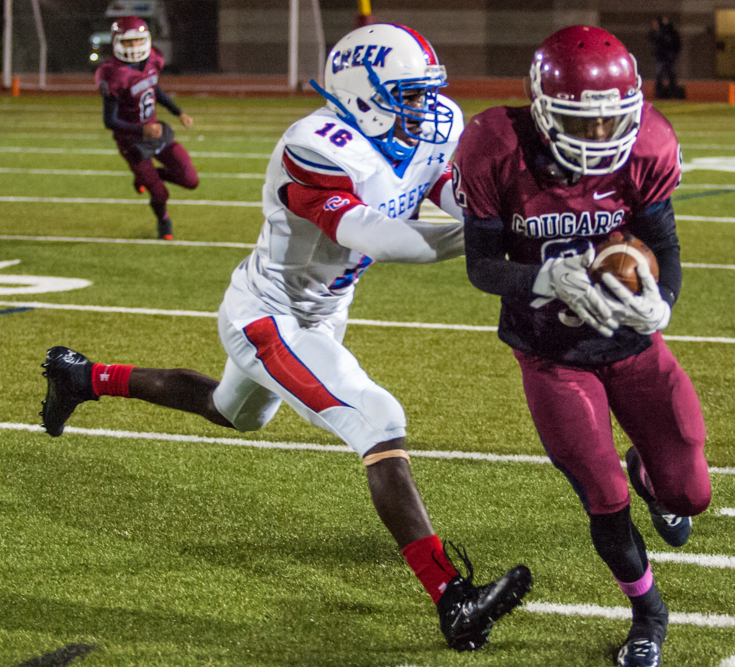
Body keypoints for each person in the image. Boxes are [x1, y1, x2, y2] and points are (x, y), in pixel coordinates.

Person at [42, 23, 531, 652]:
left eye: (426, 92)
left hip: (324, 309)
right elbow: (376, 235)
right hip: (269, 314)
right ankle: (452, 598)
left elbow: (450, 192)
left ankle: (82, 377)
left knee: (231, 410)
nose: (427, 108)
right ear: (363, 95)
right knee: (378, 419)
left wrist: (513, 219)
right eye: (410, 95)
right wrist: (492, 236)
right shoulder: (316, 145)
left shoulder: (425, 129)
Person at [453, 26, 711, 667]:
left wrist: (662, 302)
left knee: (690, 495)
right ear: (542, 108)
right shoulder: (494, 144)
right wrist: (543, 278)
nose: (599, 136)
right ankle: (648, 612)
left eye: (610, 121)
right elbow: (482, 267)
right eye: (580, 121)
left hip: (631, 345)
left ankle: (650, 475)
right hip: (551, 353)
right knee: (604, 496)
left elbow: (664, 243)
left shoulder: (647, 143)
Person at [94, 16, 199, 240]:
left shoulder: (153, 59)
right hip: (132, 142)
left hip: (156, 133)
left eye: (137, 40)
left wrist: (178, 112)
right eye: (128, 41)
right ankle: (164, 221)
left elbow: (153, 88)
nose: (134, 46)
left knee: (190, 180)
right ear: (116, 43)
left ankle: (145, 178)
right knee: (160, 193)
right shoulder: (112, 73)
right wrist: (143, 131)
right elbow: (109, 121)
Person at [649, 16, 681, 99]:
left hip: (669, 57)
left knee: (671, 74)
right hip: (661, 57)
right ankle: (660, 93)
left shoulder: (671, 33)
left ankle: (672, 92)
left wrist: (674, 54)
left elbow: (676, 44)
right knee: (660, 75)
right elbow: (652, 38)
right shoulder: (659, 33)